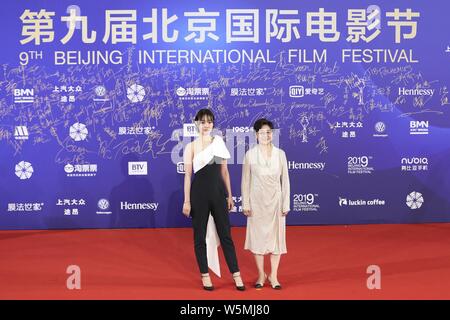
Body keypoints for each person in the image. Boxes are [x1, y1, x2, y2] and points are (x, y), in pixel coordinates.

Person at [182, 108, 245, 291]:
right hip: (198, 195)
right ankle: (205, 275)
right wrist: (187, 201)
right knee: (199, 236)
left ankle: (236, 274)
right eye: (202, 122)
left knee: (226, 235)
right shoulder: (190, 147)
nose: (206, 125)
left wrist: (230, 195)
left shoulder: (219, 142)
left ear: (213, 124)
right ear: (197, 124)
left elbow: (224, 171)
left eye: (209, 121)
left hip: (218, 194)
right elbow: (187, 176)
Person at [241, 118, 290, 289]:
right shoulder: (250, 155)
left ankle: (274, 276)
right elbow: (245, 181)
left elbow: (286, 181)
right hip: (256, 203)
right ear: (256, 135)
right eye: (262, 132)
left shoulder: (281, 154)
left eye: (269, 132)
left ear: (272, 134)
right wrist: (245, 203)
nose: (266, 135)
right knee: (258, 239)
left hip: (276, 202)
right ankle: (261, 275)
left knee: (277, 240)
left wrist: (286, 203)